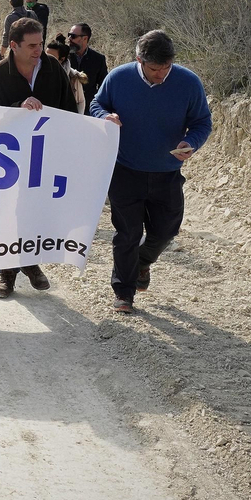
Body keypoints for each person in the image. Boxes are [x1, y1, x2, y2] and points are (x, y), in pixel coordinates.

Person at [88, 30, 213, 314]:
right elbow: (97, 103)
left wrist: (191, 142)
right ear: (139, 60)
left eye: (166, 68)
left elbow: (202, 122)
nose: (161, 74)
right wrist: (104, 116)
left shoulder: (188, 83)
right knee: (127, 234)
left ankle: (142, 262)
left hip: (167, 172)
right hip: (125, 170)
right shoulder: (119, 78)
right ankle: (123, 292)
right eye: (155, 69)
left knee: (166, 231)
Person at [0, 18, 77, 299]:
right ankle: (7, 273)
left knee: (33, 211)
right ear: (13, 45)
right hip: (6, 161)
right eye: (32, 45)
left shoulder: (53, 69)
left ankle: (29, 259)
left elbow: (68, 109)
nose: (39, 50)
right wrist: (16, 108)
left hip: (44, 156)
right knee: (8, 213)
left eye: (40, 44)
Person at [67, 22, 108, 115]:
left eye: (73, 36)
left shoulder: (98, 59)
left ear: (85, 38)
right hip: (65, 107)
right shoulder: (63, 56)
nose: (69, 39)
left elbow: (104, 85)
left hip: (88, 109)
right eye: (69, 35)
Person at [47, 36, 86, 111]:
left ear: (62, 59)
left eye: (51, 57)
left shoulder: (73, 77)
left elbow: (80, 101)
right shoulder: (37, 71)